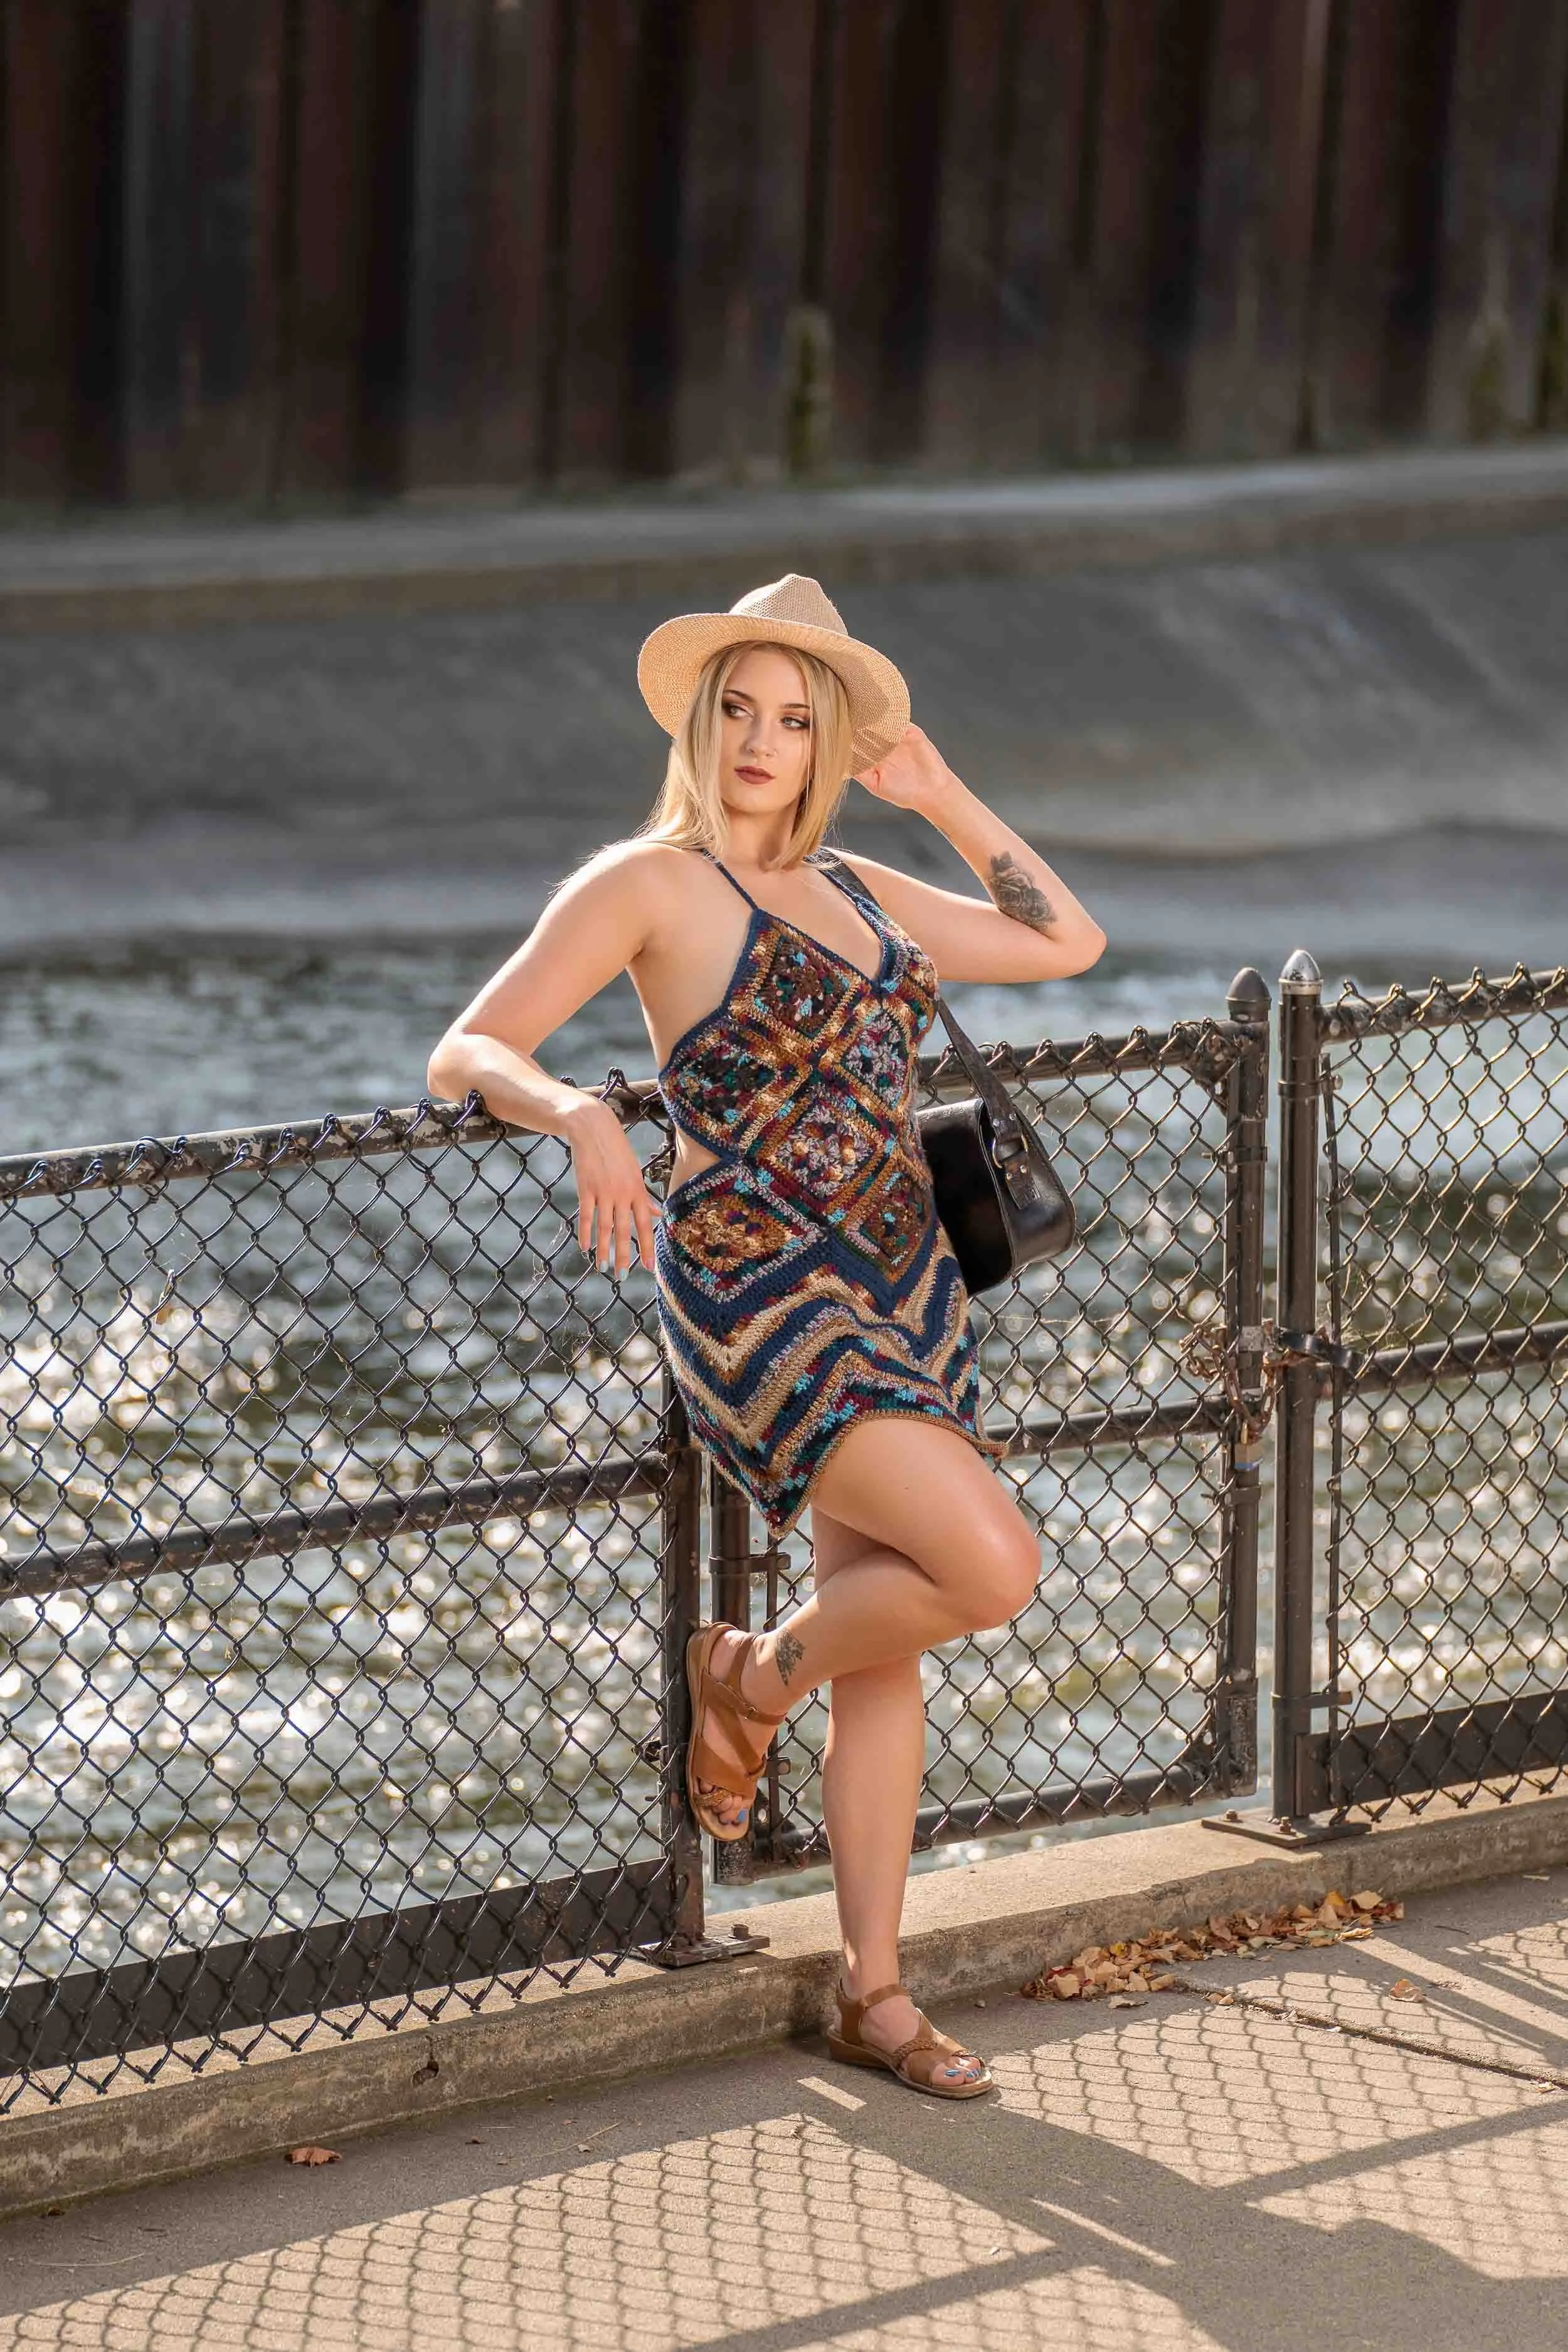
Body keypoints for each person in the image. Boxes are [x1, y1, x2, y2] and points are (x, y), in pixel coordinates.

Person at [428, 575, 1105, 2097]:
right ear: (699, 720)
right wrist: (578, 1109)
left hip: (907, 1290)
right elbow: (468, 1044)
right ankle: (748, 1679)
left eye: (795, 720)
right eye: (737, 708)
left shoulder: (862, 888)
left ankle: (872, 1992)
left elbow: (1064, 942)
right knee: (989, 1567)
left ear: (826, 743)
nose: (759, 740)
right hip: (757, 1298)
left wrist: (934, 789)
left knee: (894, 1641)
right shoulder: (647, 883)